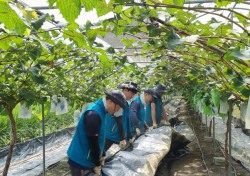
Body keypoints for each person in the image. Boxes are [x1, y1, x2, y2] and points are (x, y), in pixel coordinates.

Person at [67, 89, 127, 176]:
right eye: (118, 107)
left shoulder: (102, 111)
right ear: (110, 101)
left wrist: (102, 154)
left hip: (87, 157)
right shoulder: (93, 114)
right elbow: (93, 142)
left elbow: (100, 136)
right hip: (80, 160)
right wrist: (97, 163)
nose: (117, 110)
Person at [103, 82, 140, 156]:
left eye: (134, 94)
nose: (132, 96)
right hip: (110, 135)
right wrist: (122, 139)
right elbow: (118, 121)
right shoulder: (116, 102)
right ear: (126, 90)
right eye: (131, 93)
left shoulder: (126, 104)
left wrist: (129, 136)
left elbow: (127, 121)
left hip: (118, 137)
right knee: (102, 154)